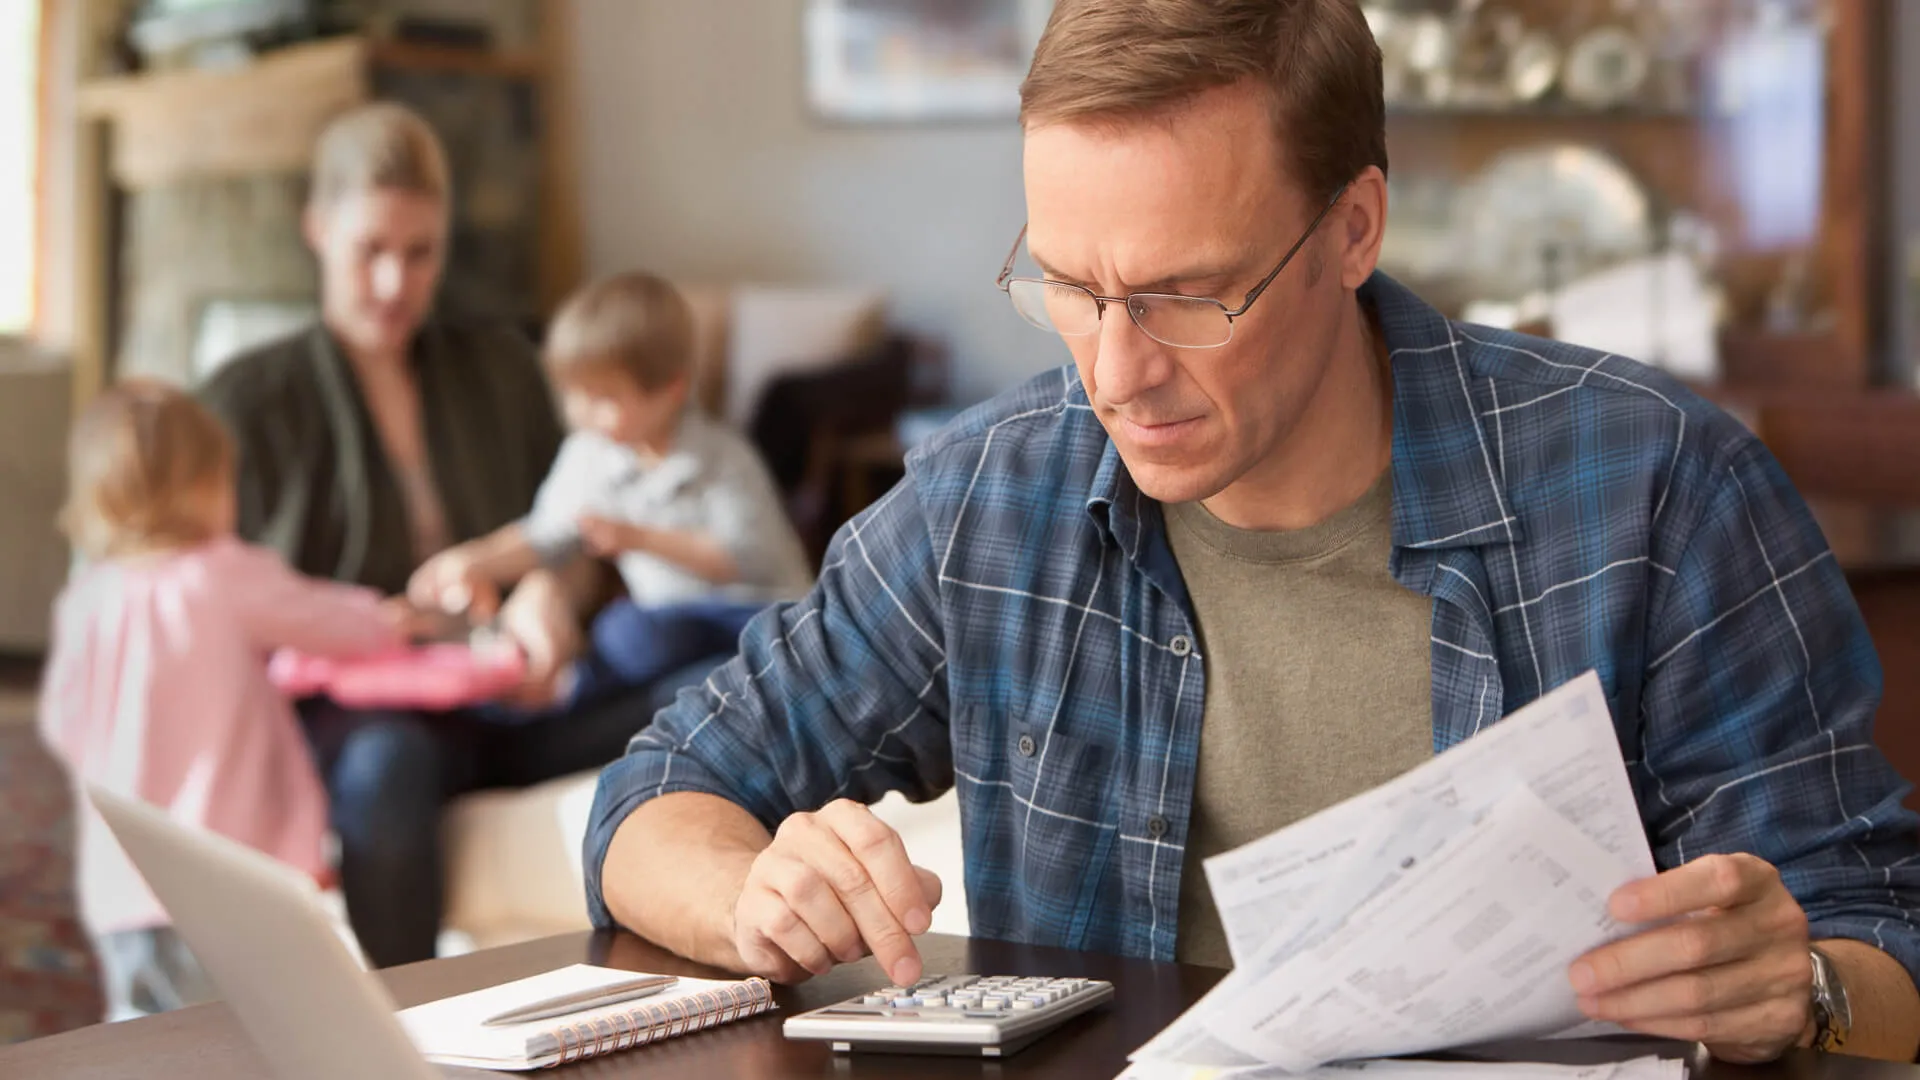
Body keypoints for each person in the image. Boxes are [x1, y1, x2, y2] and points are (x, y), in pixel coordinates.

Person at [585, 0, 1920, 1066]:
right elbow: (654, 796)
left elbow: (1884, 943)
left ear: (1353, 228)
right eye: (1068, 283)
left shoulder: (1658, 490)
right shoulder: (992, 497)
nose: (1114, 372)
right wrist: (749, 895)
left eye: (1186, 295)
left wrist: (1798, 986)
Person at [197, 103, 707, 969]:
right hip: (361, 720)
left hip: (511, 696)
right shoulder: (244, 404)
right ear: (317, 230)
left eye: (421, 252)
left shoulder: (502, 369)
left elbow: (578, 539)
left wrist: (550, 593)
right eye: (371, 251)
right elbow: (213, 611)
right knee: (387, 769)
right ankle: (408, 1035)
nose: (397, 283)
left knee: (719, 680)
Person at [38, 380, 418, 1020]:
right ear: (202, 489)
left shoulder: (86, 601)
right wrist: (392, 618)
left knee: (145, 1046)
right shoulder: (219, 573)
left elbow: (60, 723)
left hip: (122, 886)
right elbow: (327, 621)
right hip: (227, 882)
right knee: (246, 1038)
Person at [408, 271, 812, 707]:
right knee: (628, 639)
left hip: (755, 615)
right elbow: (545, 534)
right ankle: (547, 701)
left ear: (670, 391)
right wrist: (476, 561)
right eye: (573, 395)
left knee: (633, 632)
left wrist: (638, 538)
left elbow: (748, 557)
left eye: (604, 398)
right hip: (672, 628)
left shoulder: (723, 458)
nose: (583, 414)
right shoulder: (590, 454)